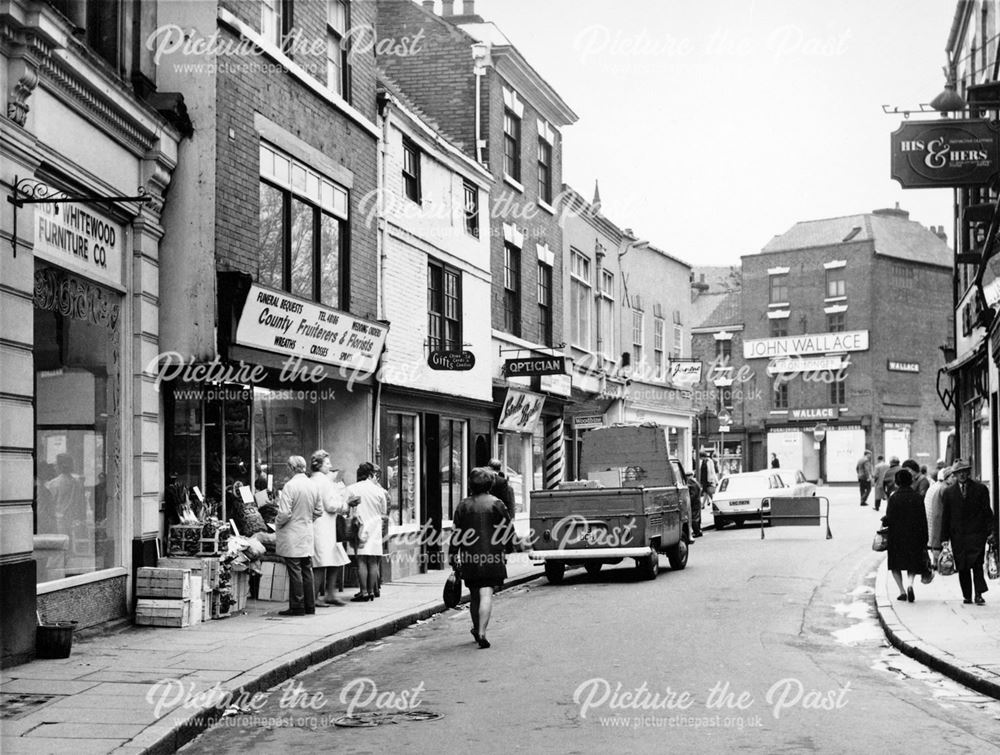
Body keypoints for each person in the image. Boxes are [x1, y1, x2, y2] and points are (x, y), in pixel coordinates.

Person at [450, 467, 511, 649]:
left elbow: (456, 534)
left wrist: (454, 555)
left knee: (474, 595)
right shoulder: (497, 504)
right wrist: (508, 548)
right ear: (490, 484)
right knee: (486, 593)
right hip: (492, 556)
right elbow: (507, 530)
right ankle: (483, 631)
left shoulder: (463, 505)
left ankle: (476, 629)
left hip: (470, 557)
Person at [941, 458, 994, 605]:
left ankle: (979, 594)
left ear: (968, 472)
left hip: (977, 534)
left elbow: (987, 513)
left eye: (964, 472)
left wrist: (991, 532)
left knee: (977, 564)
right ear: (955, 475)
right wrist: (944, 538)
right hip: (958, 536)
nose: (962, 475)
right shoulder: (948, 493)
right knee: (962, 566)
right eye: (958, 473)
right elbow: (945, 517)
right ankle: (967, 595)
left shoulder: (980, 489)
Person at [274, 456, 322, 616]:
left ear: (292, 468)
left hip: (291, 532)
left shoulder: (290, 486)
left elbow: (284, 513)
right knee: (306, 568)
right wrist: (308, 520)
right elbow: (319, 510)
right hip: (306, 531)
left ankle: (297, 606)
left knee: (294, 569)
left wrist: (278, 525)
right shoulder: (312, 485)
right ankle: (310, 605)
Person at [310, 451, 350, 607]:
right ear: (319, 465)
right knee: (321, 562)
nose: (331, 466)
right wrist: (345, 505)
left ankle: (330, 594)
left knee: (331, 560)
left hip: (320, 526)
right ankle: (315, 597)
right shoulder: (325, 482)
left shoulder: (312, 480)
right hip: (324, 527)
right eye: (327, 463)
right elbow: (331, 505)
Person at [883, 468, 929, 603]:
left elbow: (889, 518)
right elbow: (923, 519)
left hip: (896, 537)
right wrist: (925, 539)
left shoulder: (893, 498)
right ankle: (910, 584)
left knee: (895, 565)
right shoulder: (918, 498)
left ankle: (902, 591)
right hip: (914, 536)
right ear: (910, 481)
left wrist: (884, 520)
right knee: (912, 563)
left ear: (897, 482)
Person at [347, 462, 388, 602]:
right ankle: (371, 591)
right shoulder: (379, 491)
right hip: (375, 527)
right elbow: (384, 512)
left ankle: (363, 591)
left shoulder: (352, 489)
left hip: (360, 527)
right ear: (371, 474)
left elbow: (346, 507)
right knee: (373, 562)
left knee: (361, 561)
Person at [924, 465, 952, 562]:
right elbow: (939, 514)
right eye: (953, 476)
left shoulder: (937, 487)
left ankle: (937, 563)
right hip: (939, 524)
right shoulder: (944, 489)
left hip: (934, 525)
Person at [487, 458, 517, 552]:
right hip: (498, 514)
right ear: (499, 469)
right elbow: (505, 500)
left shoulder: (484, 478)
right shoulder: (502, 481)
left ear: (489, 467)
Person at [686, 473, 703, 537]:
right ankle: (698, 531)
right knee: (697, 518)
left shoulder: (690, 483)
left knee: (693, 518)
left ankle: (697, 532)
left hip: (694, 503)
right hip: (697, 502)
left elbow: (692, 495)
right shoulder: (695, 482)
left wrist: (688, 501)